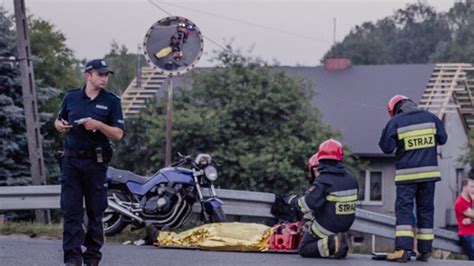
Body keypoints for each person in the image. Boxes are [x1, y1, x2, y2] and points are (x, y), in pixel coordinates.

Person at [54, 59, 125, 266]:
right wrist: (60, 125)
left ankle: (92, 258)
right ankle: (72, 260)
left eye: (106, 75)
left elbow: (119, 134)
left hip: (96, 162)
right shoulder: (72, 97)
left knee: (96, 213)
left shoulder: (112, 101)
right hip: (71, 162)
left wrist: (99, 125)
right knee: (71, 212)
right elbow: (59, 120)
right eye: (100, 74)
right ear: (88, 75)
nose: (104, 78)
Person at [379, 95, 448, 262]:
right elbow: (443, 139)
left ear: (394, 110)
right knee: (426, 210)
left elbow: (386, 148)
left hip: (407, 176)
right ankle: (424, 251)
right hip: (429, 175)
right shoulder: (431, 117)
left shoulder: (395, 122)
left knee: (405, 211)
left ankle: (402, 250)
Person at [285, 139, 359, 259]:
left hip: (328, 226)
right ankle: (338, 241)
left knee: (304, 248)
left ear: (321, 158)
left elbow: (308, 204)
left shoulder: (324, 179)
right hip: (345, 226)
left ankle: (332, 243)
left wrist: (292, 201)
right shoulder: (350, 178)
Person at [454, 179, 474, 260]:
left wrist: (471, 220)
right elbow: (473, 214)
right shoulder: (460, 202)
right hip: (468, 235)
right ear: (464, 188)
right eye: (472, 186)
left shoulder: (471, 199)